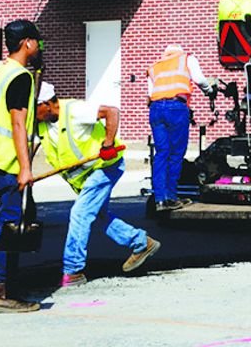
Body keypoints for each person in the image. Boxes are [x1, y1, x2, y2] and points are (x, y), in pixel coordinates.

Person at [34, 83, 161, 287]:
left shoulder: (74, 110)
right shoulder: (42, 124)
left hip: (105, 167)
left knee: (80, 213)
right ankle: (141, 242)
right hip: (86, 176)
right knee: (99, 215)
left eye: (35, 107)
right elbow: (31, 146)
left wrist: (108, 143)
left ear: (47, 104)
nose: (32, 114)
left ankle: (73, 270)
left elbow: (112, 111)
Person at [0, 19, 42, 313]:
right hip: (6, 160)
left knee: (23, 214)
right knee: (13, 222)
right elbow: (17, 122)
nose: (38, 47)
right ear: (27, 42)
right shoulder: (20, 76)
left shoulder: (1, 71)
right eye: (36, 41)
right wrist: (25, 167)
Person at [146, 44, 214, 212]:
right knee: (176, 153)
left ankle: (160, 199)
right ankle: (171, 196)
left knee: (161, 153)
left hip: (155, 109)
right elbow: (199, 80)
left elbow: (150, 93)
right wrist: (209, 90)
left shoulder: (154, 66)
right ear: (180, 51)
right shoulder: (186, 58)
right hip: (176, 108)